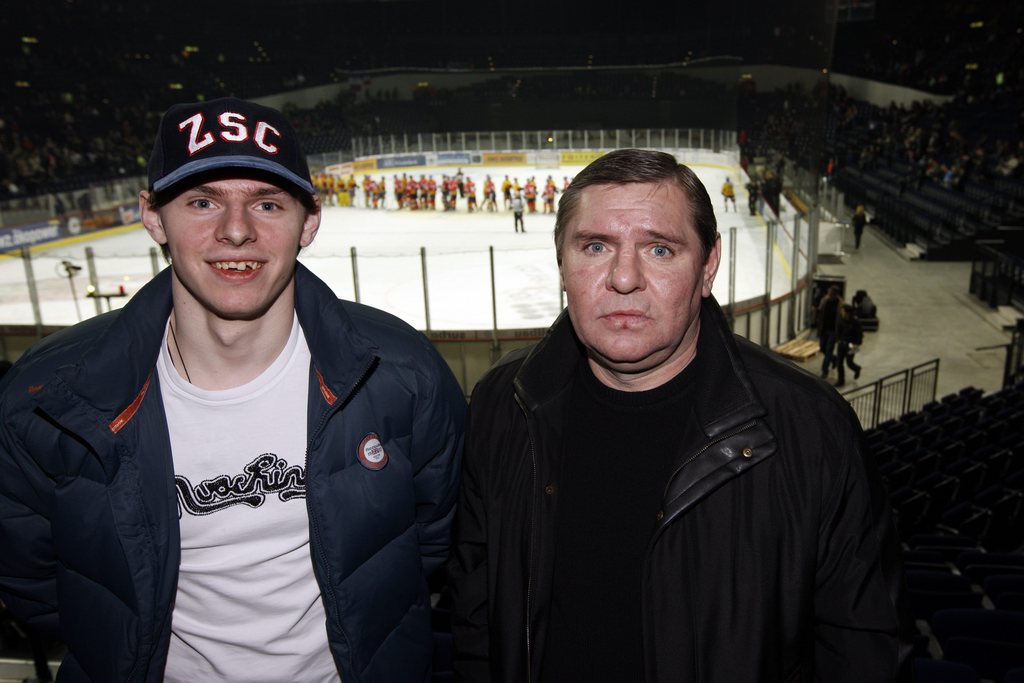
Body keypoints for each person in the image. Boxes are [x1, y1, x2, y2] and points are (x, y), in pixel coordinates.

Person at [0, 97, 466, 682]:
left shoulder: (402, 374)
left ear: (310, 221)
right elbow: (41, 587)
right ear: (151, 216)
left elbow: (422, 547)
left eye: (266, 203)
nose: (237, 230)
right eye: (202, 202)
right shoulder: (45, 399)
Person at [447, 149, 911, 682]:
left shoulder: (810, 427)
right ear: (561, 265)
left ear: (708, 266)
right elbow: (477, 613)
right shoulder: (502, 405)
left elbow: (865, 648)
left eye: (660, 250)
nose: (624, 278)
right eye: (595, 246)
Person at [834, 303, 863, 387]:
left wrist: (857, 344)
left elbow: (859, 334)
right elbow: (838, 330)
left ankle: (857, 369)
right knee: (839, 362)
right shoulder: (840, 319)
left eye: (843, 311)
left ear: (847, 312)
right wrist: (838, 340)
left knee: (849, 362)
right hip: (842, 344)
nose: (841, 312)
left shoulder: (855, 322)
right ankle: (841, 380)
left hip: (852, 345)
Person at [818, 284, 842, 378]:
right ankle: (834, 359)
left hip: (833, 331)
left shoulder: (840, 305)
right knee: (822, 348)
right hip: (824, 329)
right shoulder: (824, 301)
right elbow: (820, 314)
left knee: (828, 351)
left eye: (830, 293)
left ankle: (824, 370)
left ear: (835, 294)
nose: (828, 294)